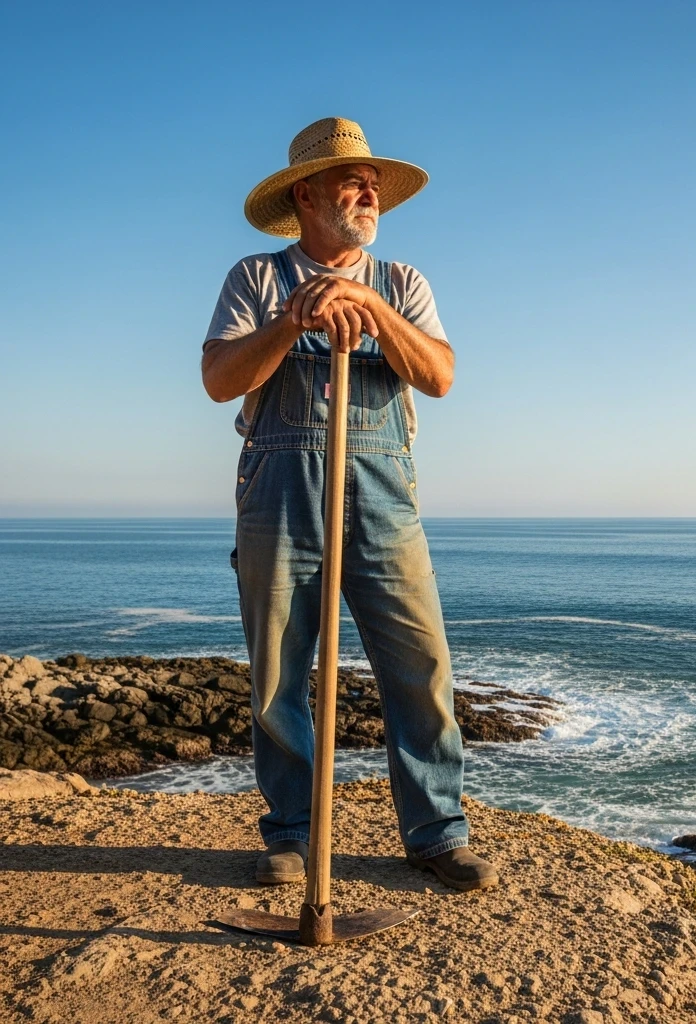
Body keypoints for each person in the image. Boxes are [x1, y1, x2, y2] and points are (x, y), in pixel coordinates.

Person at [201, 117, 497, 892]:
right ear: (305, 193)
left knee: (420, 665)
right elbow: (220, 378)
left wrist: (374, 313)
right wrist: (291, 319)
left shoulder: (405, 284)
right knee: (277, 674)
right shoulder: (255, 279)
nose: (368, 192)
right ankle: (292, 835)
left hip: (384, 497)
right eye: (350, 180)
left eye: (372, 183)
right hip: (278, 495)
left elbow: (439, 376)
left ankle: (436, 832)